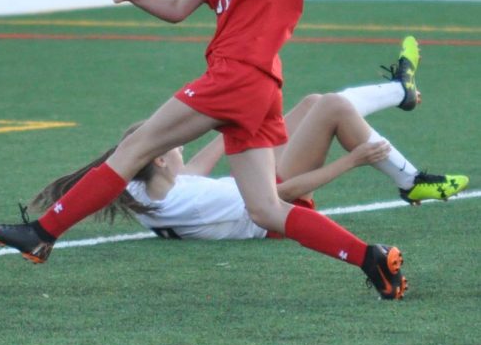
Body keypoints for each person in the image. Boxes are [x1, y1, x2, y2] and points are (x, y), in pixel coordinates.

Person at [0, 0, 418, 300]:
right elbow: (179, 9)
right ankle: (373, 259)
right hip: (254, 86)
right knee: (265, 209)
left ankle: (42, 234)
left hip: (238, 75)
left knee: (136, 146)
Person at [24, 42, 469, 243]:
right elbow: (277, 198)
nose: (180, 146)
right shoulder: (188, 198)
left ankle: (400, 91)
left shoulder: (144, 190)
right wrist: (350, 162)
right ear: (159, 159)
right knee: (331, 107)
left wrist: (226, 120)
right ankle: (409, 178)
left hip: (259, 192)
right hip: (273, 210)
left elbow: (192, 172)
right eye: (173, 146)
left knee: (314, 102)